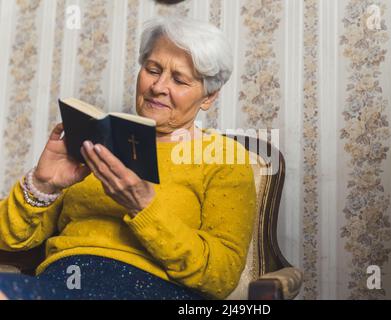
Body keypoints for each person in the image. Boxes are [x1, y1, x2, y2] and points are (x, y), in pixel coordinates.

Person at [0, 16, 256, 300]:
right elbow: (10, 240)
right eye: (152, 69)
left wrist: (143, 207)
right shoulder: (95, 138)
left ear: (209, 96)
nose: (158, 86)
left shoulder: (224, 159)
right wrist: (42, 185)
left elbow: (222, 276)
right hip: (60, 285)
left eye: (180, 79)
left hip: (152, 291)